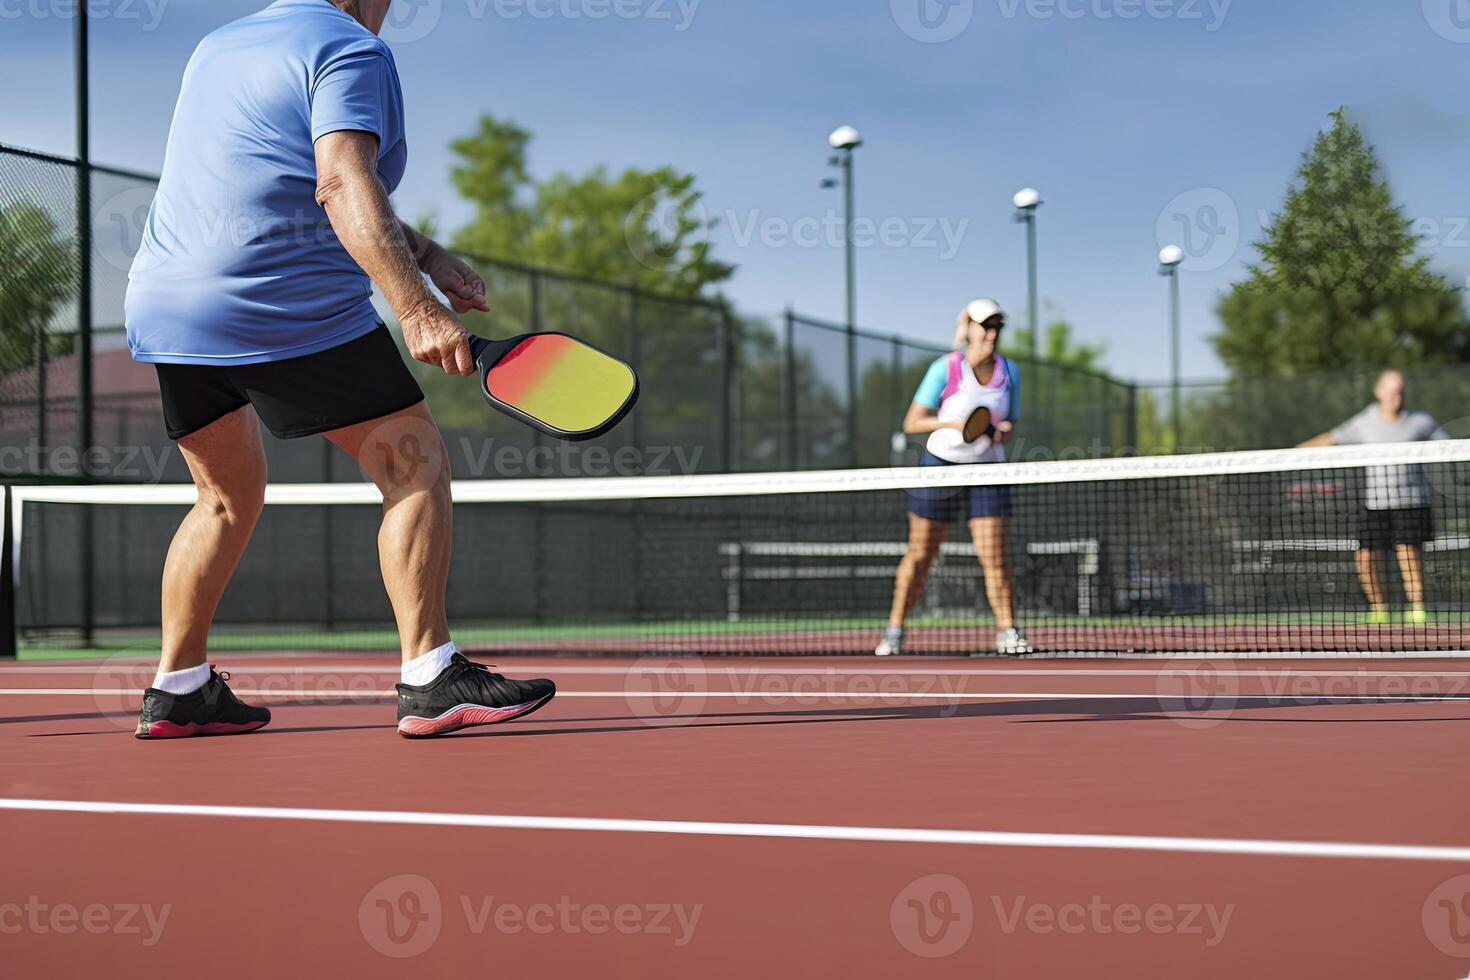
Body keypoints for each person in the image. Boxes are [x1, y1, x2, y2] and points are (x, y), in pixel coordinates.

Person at [124, 0, 554, 738]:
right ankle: (431, 675)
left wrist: (427, 254)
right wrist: (415, 308)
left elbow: (270, 175)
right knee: (413, 464)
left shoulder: (218, 47)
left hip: (168, 303)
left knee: (224, 498)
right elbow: (340, 181)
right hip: (278, 297)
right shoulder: (350, 48)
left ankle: (179, 685)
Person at [877, 299, 1032, 657]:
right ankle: (894, 630)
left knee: (995, 555)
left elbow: (1011, 423)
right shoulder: (945, 369)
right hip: (940, 466)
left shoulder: (1010, 372)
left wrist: (1004, 430)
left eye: (997, 326)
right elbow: (912, 422)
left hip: (987, 469)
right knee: (921, 553)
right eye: (984, 325)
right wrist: (952, 423)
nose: (991, 333)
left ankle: (1008, 631)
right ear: (969, 328)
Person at [1299, 369, 1447, 625]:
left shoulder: (1421, 421)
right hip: (1376, 503)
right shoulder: (1364, 422)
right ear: (1378, 392)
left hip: (1412, 501)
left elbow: (1448, 446)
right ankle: (1378, 608)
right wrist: (1291, 454)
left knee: (1407, 552)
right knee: (1365, 555)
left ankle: (1417, 608)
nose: (1395, 398)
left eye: (1400, 392)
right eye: (1390, 392)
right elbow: (1332, 438)